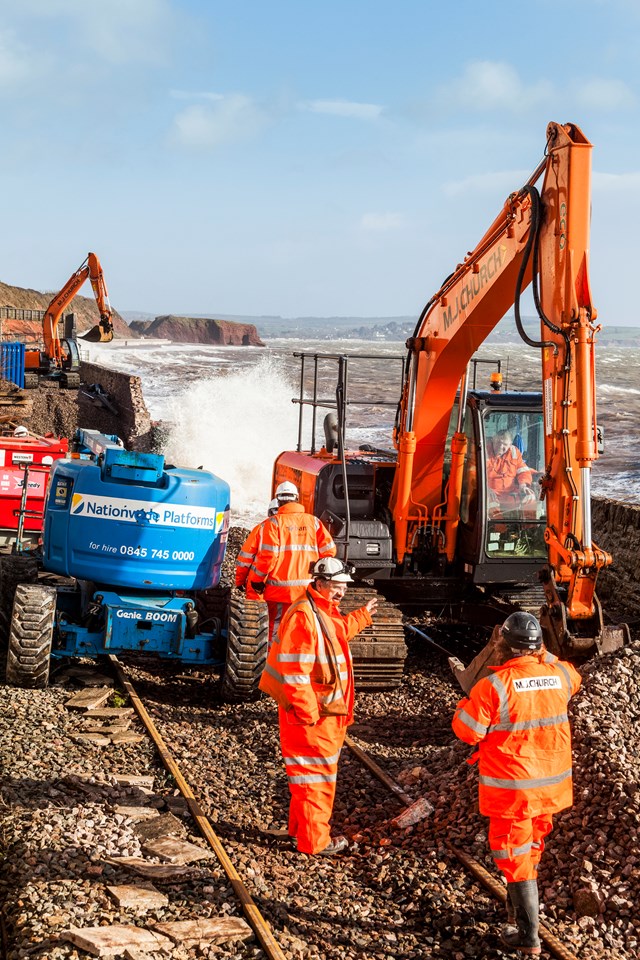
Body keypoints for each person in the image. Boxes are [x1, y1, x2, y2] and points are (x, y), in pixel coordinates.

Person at [451, 612, 582, 955]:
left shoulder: (493, 687)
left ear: (504, 646)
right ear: (539, 647)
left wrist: (462, 706)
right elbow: (572, 673)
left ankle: (527, 935)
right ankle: (518, 910)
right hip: (550, 788)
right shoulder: (560, 675)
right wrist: (543, 653)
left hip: (514, 791)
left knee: (513, 853)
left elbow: (467, 731)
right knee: (531, 847)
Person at [259, 557, 377, 856]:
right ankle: (315, 843)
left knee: (308, 777)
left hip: (325, 713)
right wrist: (308, 712)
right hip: (314, 715)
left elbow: (335, 637)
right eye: (336, 587)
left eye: (344, 587)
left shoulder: (321, 610)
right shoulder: (304, 616)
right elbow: (294, 670)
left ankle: (300, 832)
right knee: (317, 780)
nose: (341, 593)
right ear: (320, 583)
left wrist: (362, 616)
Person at [249, 481, 336, 643]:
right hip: (308, 590)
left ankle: (273, 664)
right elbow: (329, 552)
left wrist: (257, 581)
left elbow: (268, 557)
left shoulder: (273, 523)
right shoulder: (314, 522)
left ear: (278, 500)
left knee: (276, 630)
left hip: (279, 591)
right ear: (297, 499)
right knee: (304, 628)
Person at [235, 498, 279, 600]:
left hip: (260, 584)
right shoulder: (301, 528)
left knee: (258, 613)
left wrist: (239, 581)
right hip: (293, 585)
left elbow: (245, 559)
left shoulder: (261, 528)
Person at [486, 430, 536, 516]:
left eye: (505, 445)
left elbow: (523, 471)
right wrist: (486, 489)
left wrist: (523, 485)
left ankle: (529, 528)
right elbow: (474, 473)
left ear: (510, 444)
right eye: (498, 442)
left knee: (529, 497)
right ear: (493, 440)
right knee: (490, 502)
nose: (500, 447)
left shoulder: (514, 452)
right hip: (491, 492)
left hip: (510, 492)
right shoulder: (484, 451)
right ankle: (498, 529)